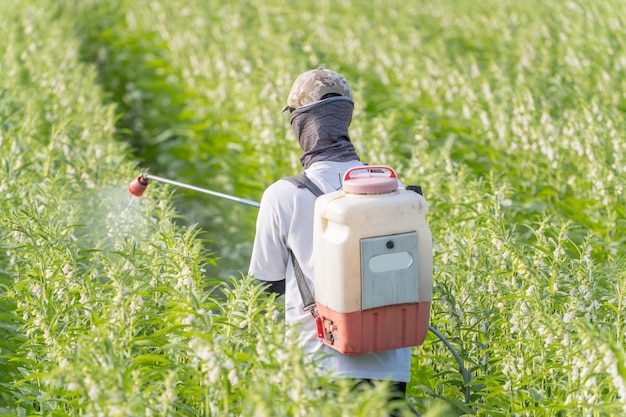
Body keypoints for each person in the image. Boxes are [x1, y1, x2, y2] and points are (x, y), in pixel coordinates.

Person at [248, 68, 411, 414]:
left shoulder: (282, 195)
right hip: (390, 367)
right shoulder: (392, 188)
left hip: (317, 365)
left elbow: (263, 287)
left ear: (301, 124)